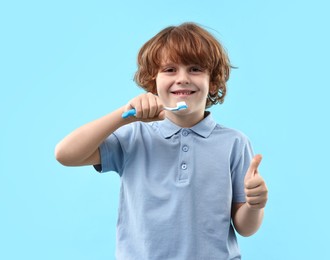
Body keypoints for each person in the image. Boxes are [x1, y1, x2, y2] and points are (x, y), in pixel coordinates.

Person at [55, 22, 268, 260]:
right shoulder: (134, 137)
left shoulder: (234, 143)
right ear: (152, 81)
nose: (182, 78)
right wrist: (123, 116)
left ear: (214, 82)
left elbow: (246, 228)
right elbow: (65, 154)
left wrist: (255, 205)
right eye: (169, 70)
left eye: (195, 69)